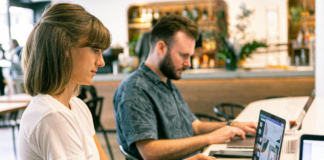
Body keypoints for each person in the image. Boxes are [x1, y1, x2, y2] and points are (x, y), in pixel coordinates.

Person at [113, 14, 257, 160]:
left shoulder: (166, 83)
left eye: (190, 56)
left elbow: (195, 126)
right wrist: (209, 138)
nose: (188, 63)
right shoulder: (135, 90)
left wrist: (233, 125)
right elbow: (150, 152)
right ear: (161, 48)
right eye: (183, 55)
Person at [18, 3, 111, 160]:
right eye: (95, 50)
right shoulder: (53, 116)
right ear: (65, 46)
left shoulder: (77, 106)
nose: (101, 62)